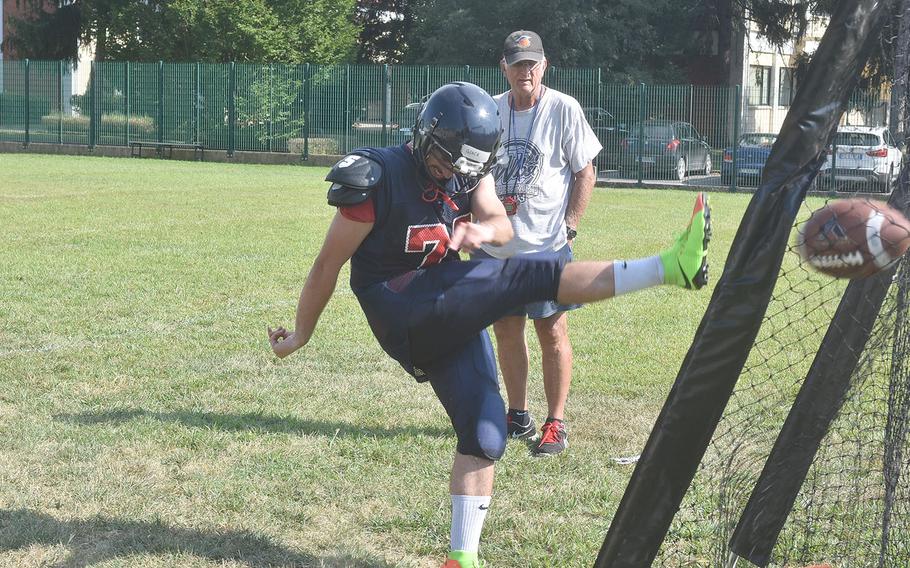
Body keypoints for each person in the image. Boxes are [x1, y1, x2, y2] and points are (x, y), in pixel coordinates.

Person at [266, 81, 711, 568]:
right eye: (446, 162)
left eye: (465, 167)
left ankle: (462, 557)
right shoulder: (380, 175)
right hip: (398, 308)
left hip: (446, 305)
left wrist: (482, 228)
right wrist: (302, 333)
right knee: (521, 278)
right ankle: (669, 267)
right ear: (425, 135)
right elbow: (327, 265)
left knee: (486, 435)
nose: (452, 175)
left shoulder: (469, 171)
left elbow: (501, 223)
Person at [471, 30, 603, 456]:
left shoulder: (563, 108)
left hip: (546, 248)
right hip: (496, 250)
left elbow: (585, 171)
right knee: (506, 331)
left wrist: (571, 225)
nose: (525, 71)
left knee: (552, 332)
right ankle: (517, 413)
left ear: (543, 66)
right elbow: (470, 171)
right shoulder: (488, 111)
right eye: (517, 63)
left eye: (532, 63)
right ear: (504, 67)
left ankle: (555, 422)